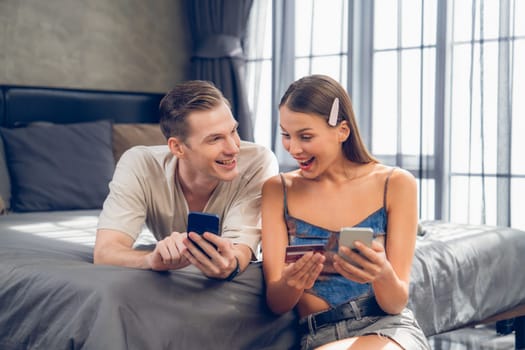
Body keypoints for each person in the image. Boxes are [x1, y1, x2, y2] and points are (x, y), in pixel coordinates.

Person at [261, 75, 430, 349]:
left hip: (386, 328)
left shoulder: (396, 184)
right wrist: (292, 282)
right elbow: (277, 303)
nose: (293, 148)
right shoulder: (277, 190)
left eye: (305, 136)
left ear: (342, 131)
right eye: (285, 135)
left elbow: (396, 301)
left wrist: (382, 273)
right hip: (319, 334)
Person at [94, 80, 278, 281]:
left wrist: (231, 264)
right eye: (215, 139)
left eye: (233, 131)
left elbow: (241, 248)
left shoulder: (258, 162)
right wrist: (150, 260)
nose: (234, 148)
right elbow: (105, 252)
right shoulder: (139, 164)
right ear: (178, 148)